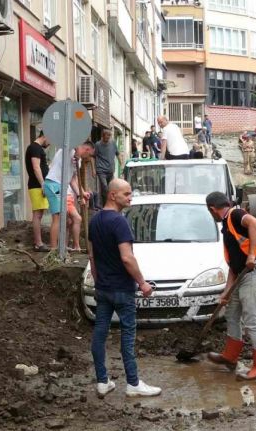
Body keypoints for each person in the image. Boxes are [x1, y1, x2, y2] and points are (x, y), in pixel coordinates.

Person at [88, 178, 162, 398]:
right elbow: (127, 258)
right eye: (126, 194)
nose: (131, 197)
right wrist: (142, 283)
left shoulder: (95, 220)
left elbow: (92, 256)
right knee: (128, 335)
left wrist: (98, 280)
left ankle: (102, 381)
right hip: (122, 289)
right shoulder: (119, 222)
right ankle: (133, 383)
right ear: (113, 195)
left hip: (103, 289)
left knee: (99, 333)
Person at [205, 191, 256, 380]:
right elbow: (233, 268)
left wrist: (251, 255)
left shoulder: (234, 214)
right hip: (241, 276)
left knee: (252, 322)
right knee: (231, 314)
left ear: (212, 209)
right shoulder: (227, 226)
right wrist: (226, 293)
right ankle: (230, 356)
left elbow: (255, 223)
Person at [43, 141, 95, 250]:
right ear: (87, 150)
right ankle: (53, 249)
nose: (89, 158)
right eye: (89, 155)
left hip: (62, 187)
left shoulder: (78, 161)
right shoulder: (68, 149)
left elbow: (72, 180)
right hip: (54, 184)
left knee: (69, 219)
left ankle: (64, 247)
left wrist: (81, 194)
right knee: (58, 217)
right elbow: (73, 141)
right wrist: (77, 153)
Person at [25, 131, 51, 252]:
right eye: (50, 140)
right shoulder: (35, 148)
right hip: (37, 185)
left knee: (39, 214)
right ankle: (38, 243)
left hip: (38, 185)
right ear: (45, 136)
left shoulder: (36, 148)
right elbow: (36, 167)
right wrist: (43, 184)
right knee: (37, 214)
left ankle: (39, 242)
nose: (49, 144)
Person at [94, 129, 121, 209]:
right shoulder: (98, 145)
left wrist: (121, 164)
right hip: (101, 170)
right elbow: (93, 157)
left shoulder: (113, 143)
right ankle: (105, 205)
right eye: (107, 136)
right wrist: (93, 169)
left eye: (109, 136)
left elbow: (118, 154)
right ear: (103, 136)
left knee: (110, 188)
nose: (108, 138)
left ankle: (109, 204)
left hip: (110, 170)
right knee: (105, 187)